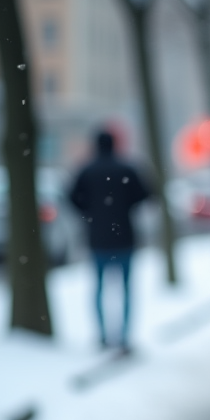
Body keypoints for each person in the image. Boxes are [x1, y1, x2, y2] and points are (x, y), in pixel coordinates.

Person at [69, 128, 150, 353]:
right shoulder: (127, 169)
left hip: (98, 238)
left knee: (99, 288)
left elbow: (72, 198)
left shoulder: (86, 171)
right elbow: (145, 195)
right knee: (125, 288)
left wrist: (90, 214)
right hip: (124, 237)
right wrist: (125, 208)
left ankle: (103, 336)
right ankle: (124, 337)